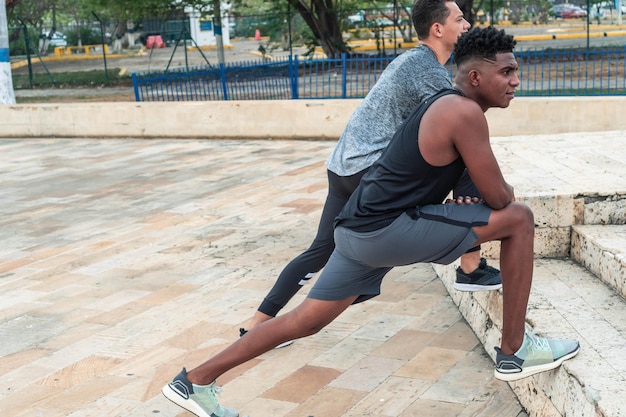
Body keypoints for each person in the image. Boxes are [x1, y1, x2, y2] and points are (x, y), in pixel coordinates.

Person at [162, 26, 580, 417]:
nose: (515, 81)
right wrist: (491, 194)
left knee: (304, 320)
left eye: (515, 72)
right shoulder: (463, 112)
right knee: (520, 219)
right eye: (506, 71)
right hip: (384, 230)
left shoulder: (442, 103)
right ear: (474, 77)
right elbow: (500, 198)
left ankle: (193, 381)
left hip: (355, 231)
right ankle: (515, 350)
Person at [242, 0, 501, 343]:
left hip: (343, 168)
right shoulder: (427, 72)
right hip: (370, 171)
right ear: (438, 29)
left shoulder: (411, 61)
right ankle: (470, 267)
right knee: (464, 156)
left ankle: (257, 324)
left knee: (320, 249)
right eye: (460, 18)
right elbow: (458, 124)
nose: (466, 24)